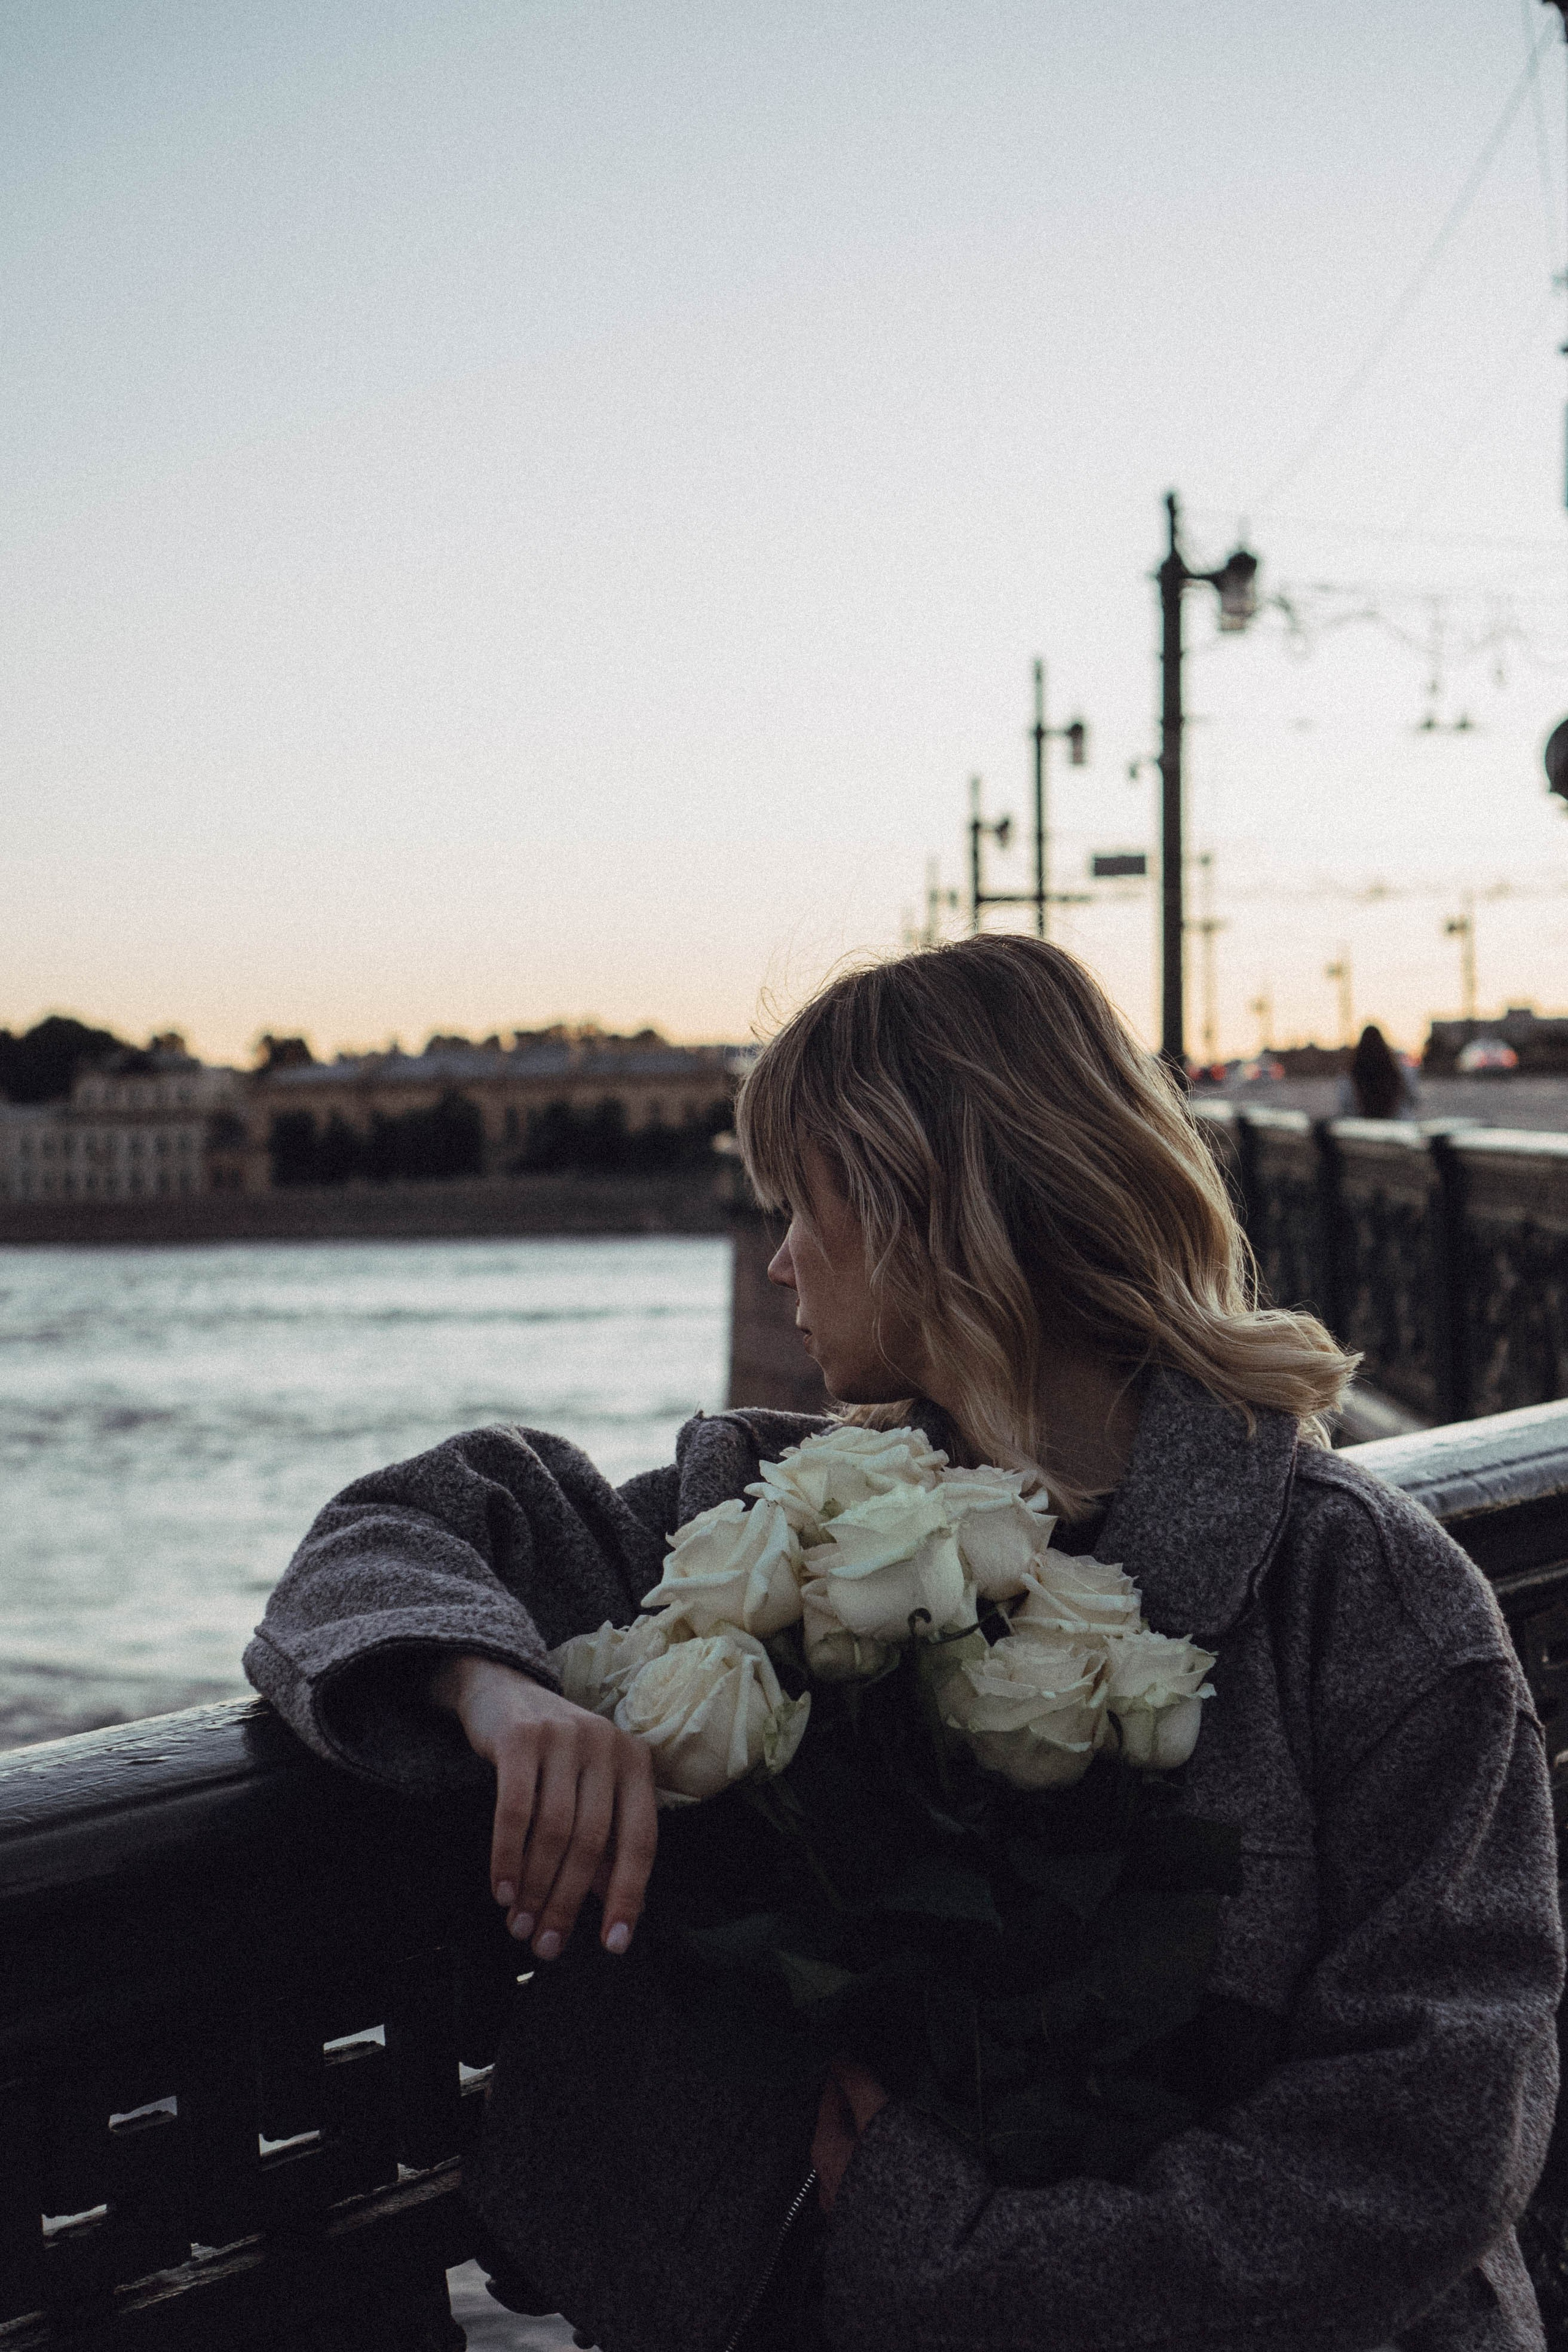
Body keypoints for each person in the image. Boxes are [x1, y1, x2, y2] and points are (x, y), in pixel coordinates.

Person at [246, 936, 1561, 2352]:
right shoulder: (770, 1526)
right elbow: (393, 1534)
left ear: (930, 1206)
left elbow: (1425, 2145)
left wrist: (953, 2253)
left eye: (799, 1206)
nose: (778, 1261)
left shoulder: (1364, 1598)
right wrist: (493, 1690)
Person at [1340, 1022, 1422, 1118]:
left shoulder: (1350, 1076)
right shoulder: (1400, 1073)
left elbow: (1346, 1107)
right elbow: (1413, 1100)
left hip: (1364, 1128)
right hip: (1397, 1127)